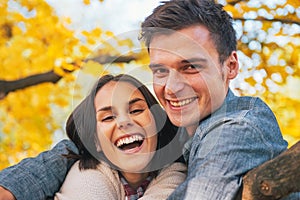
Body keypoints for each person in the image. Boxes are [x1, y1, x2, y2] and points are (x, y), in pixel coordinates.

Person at [0, 0, 298, 199]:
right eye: (160, 70)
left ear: (230, 66)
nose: (172, 87)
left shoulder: (237, 127)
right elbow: (77, 145)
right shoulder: (177, 130)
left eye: (190, 67)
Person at [53, 74, 186, 200]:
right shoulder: (86, 179)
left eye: (136, 110)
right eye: (108, 117)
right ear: (96, 142)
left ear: (157, 124)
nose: (124, 121)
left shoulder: (174, 173)